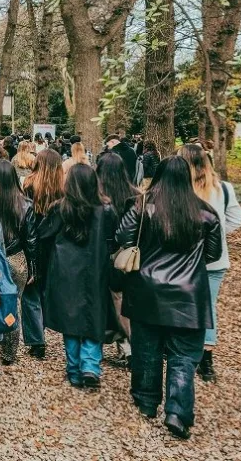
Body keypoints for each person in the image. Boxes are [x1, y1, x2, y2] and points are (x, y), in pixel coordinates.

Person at [115, 157, 223, 439]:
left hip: (147, 289)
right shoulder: (206, 212)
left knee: (146, 347)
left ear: (158, 176)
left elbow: (123, 235)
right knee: (184, 356)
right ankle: (177, 411)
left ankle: (147, 400)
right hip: (189, 294)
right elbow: (213, 254)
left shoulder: (141, 205)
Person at [37, 164, 118, 389]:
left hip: (65, 271)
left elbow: (43, 234)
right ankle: (90, 366)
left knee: (69, 318)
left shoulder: (60, 208)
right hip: (95, 269)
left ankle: (74, 369)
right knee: (94, 316)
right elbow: (114, 239)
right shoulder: (106, 210)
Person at [176, 143, 241, 382]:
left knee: (182, 302)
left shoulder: (181, 189)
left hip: (183, 259)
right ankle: (206, 359)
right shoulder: (223, 189)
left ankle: (182, 349)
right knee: (209, 306)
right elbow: (236, 220)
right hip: (216, 259)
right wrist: (219, 234)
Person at [0, 160, 37, 383]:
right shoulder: (25, 204)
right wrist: (33, 266)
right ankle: (9, 352)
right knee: (13, 305)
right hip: (16, 259)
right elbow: (31, 240)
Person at [96, 152, 140, 366]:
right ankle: (128, 346)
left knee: (107, 300)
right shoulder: (135, 195)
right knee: (123, 301)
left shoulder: (96, 196)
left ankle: (109, 343)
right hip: (127, 256)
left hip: (102, 254)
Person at [20, 148, 65, 359]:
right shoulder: (64, 188)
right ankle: (48, 325)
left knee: (31, 293)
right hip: (56, 245)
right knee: (48, 289)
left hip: (34, 241)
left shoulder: (29, 184)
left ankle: (37, 340)